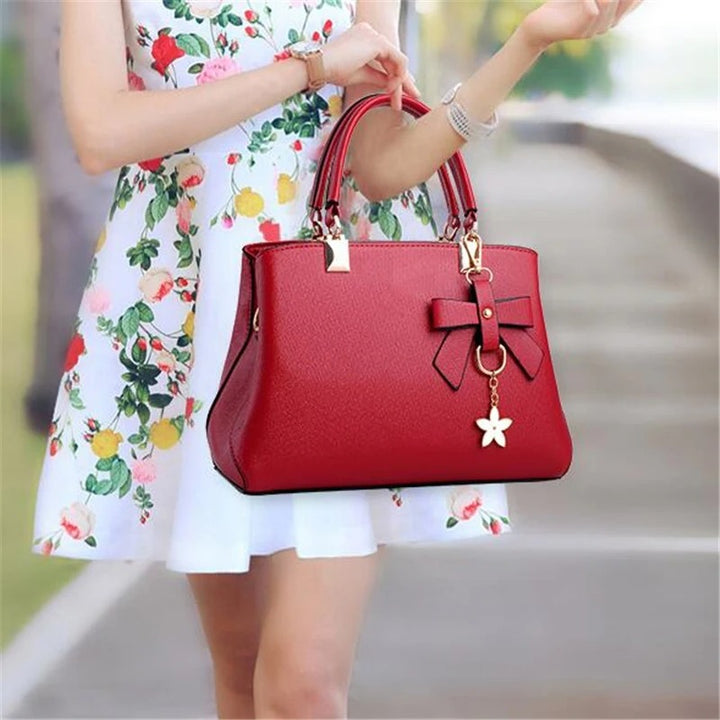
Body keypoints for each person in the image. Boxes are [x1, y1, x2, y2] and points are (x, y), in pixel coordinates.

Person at [32, 1, 643, 717]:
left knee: (303, 685)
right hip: (196, 319)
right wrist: (308, 71)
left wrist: (527, 42)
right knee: (241, 668)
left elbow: (383, 166)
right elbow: (102, 133)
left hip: (333, 330)